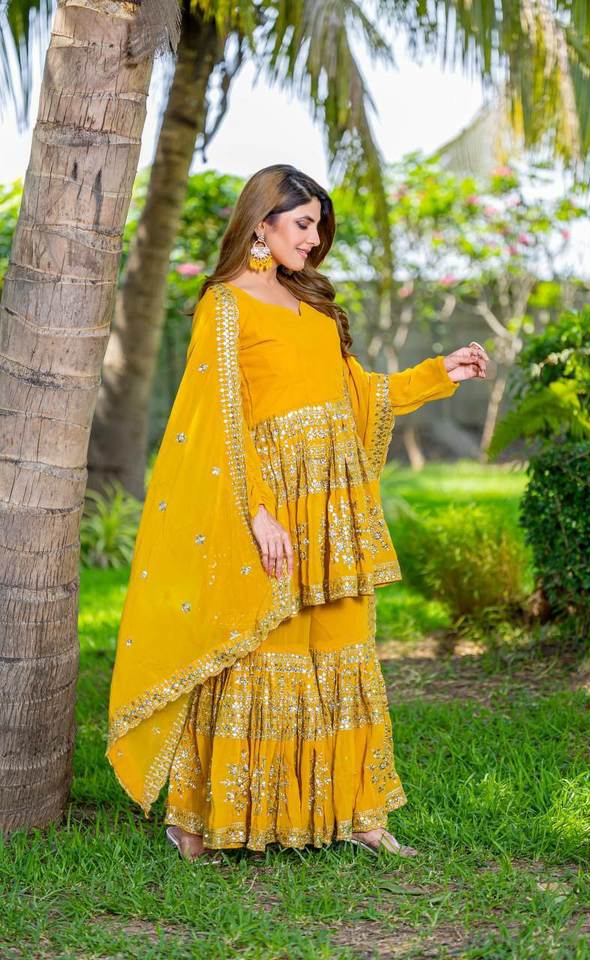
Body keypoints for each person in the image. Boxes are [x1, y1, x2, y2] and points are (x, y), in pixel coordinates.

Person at [106, 164, 488, 863]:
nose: (314, 240)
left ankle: (355, 812)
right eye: (303, 224)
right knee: (261, 650)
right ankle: (206, 822)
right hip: (270, 501)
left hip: (333, 505)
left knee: (342, 646)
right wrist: (256, 513)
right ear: (262, 223)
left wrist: (440, 373)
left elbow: (357, 396)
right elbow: (218, 420)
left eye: (318, 226)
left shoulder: (312, 305)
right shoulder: (225, 304)